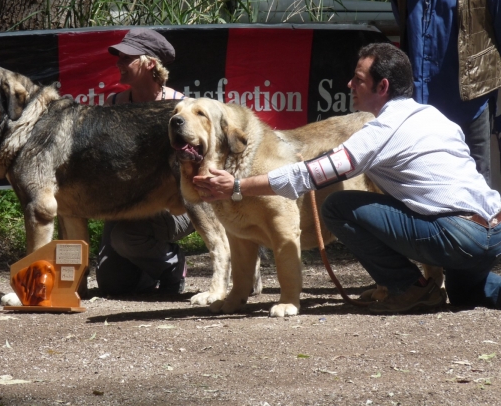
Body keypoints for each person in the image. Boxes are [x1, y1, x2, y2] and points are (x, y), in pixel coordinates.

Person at [193, 43, 501, 314]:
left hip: (458, 236)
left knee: (338, 206)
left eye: (359, 79)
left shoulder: (381, 132)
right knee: (465, 292)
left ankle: (410, 287)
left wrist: (236, 186)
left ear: (382, 87)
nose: (350, 83)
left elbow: (310, 175)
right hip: (492, 231)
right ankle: (462, 283)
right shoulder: (435, 116)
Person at [96, 28, 194, 295]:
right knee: (112, 284)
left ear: (150, 63)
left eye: (127, 57)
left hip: (176, 205)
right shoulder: (114, 104)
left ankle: (172, 265)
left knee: (125, 239)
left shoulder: (182, 107)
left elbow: (197, 165)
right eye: (119, 57)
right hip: (127, 204)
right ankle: (147, 265)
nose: (119, 63)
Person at [389, 0, 501, 185]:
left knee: (476, 200)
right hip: (418, 112)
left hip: (470, 110)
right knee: (423, 192)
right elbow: (404, 22)